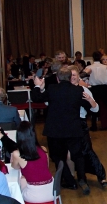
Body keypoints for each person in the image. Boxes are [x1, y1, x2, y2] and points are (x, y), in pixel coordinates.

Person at [31, 66, 96, 194]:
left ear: (57, 78)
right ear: (70, 77)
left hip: (55, 130)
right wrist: (90, 101)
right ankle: (82, 179)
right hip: (74, 128)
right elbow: (88, 106)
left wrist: (38, 86)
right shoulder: (78, 90)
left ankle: (69, 181)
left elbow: (37, 98)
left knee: (57, 156)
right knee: (78, 156)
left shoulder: (52, 89)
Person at [70, 66, 107, 188]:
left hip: (80, 123)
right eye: (70, 75)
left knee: (87, 150)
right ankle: (74, 178)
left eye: (74, 75)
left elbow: (95, 109)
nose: (72, 77)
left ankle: (101, 175)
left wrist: (90, 100)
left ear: (79, 77)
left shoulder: (84, 90)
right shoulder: (63, 90)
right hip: (67, 124)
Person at [10, 121, 54, 204]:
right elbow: (45, 168)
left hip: (34, 196)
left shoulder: (17, 154)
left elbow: (15, 167)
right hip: (52, 192)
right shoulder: (43, 149)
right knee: (24, 180)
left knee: (19, 184)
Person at [82, 53, 107, 131]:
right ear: (101, 58)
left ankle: (94, 126)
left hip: (94, 88)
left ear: (93, 58)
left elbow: (84, 77)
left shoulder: (89, 67)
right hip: (104, 88)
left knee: (93, 106)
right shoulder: (105, 67)